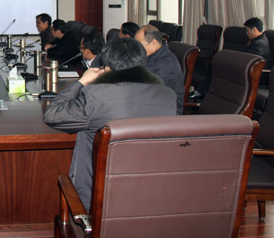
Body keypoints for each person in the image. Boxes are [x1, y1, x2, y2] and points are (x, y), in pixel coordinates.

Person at [43, 37, 176, 211]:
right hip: (151, 197)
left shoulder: (96, 95)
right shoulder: (168, 95)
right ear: (143, 61)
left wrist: (82, 81)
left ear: (107, 67)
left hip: (98, 200)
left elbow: (52, 114)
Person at [135, 25, 186, 114]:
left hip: (164, 115)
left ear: (154, 44)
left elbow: (153, 98)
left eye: (139, 46)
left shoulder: (166, 67)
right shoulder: (151, 57)